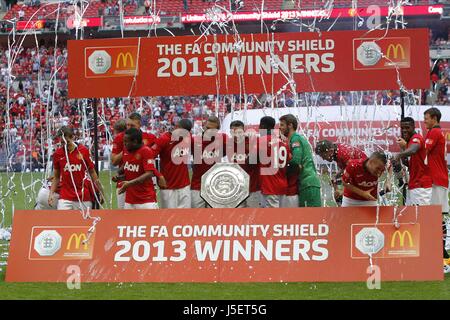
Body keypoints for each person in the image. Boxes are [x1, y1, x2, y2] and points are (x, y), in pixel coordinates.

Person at [49, 126, 104, 210]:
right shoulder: (57, 154)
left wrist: (100, 191)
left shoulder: (83, 151)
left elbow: (92, 172)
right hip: (65, 197)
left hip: (83, 197)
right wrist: (51, 194)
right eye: (62, 143)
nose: (65, 145)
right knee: (62, 222)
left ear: (72, 137)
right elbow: (56, 177)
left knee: (84, 222)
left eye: (66, 141)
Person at [423, 107, 449, 271]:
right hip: (439, 179)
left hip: (435, 180)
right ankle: (442, 253)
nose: (425, 121)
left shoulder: (434, 133)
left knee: (436, 216)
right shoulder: (437, 133)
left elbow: (422, 151)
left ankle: (443, 255)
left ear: (434, 118)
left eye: (426, 118)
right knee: (438, 216)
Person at [111, 113, 156, 208]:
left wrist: (159, 176)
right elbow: (114, 161)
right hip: (124, 183)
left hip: (144, 186)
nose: (129, 127)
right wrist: (127, 147)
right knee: (124, 218)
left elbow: (151, 161)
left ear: (139, 125)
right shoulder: (120, 137)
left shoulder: (150, 138)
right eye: (127, 125)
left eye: (132, 125)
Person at [116, 128, 166, 209]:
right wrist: (118, 175)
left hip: (146, 200)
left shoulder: (146, 151)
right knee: (128, 222)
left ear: (135, 141)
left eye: (126, 141)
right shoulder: (126, 149)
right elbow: (125, 165)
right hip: (129, 200)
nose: (124, 144)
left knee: (149, 222)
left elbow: (149, 173)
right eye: (123, 141)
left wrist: (129, 184)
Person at [279, 114, 321, 207]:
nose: (280, 127)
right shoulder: (294, 139)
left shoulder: (295, 139)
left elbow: (295, 162)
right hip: (306, 184)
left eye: (282, 125)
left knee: (311, 217)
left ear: (290, 125)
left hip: (308, 184)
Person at [150, 119, 192, 209]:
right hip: (168, 187)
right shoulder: (163, 139)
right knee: (168, 219)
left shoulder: (188, 137)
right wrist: (159, 176)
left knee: (186, 217)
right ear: (176, 127)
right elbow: (148, 159)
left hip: (185, 186)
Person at [315, 139, 367, 205]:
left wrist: (341, 192)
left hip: (363, 174)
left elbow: (354, 172)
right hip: (360, 171)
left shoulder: (343, 154)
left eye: (324, 156)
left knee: (343, 198)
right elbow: (346, 169)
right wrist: (336, 178)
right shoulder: (336, 150)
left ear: (330, 151)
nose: (323, 159)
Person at [394, 117, 432, 205]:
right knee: (410, 216)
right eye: (402, 128)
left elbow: (413, 150)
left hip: (421, 186)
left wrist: (399, 155)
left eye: (407, 127)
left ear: (414, 127)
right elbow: (408, 164)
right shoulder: (409, 142)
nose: (404, 130)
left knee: (420, 217)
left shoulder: (416, 138)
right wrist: (403, 148)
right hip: (414, 185)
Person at [190, 115, 227, 208]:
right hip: (197, 186)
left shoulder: (223, 140)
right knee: (197, 217)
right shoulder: (195, 141)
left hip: (215, 186)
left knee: (214, 218)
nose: (208, 130)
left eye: (212, 129)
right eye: (207, 127)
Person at [258, 116, 290, 208]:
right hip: (282, 185)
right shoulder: (283, 142)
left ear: (262, 126)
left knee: (271, 219)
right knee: (282, 218)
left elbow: (250, 159)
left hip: (270, 186)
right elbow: (289, 159)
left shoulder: (262, 140)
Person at [227, 120, 260, 208]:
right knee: (238, 217)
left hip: (253, 187)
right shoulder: (228, 144)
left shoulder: (252, 142)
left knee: (253, 217)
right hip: (237, 189)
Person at [111, 119, 127, 209]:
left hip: (123, 180)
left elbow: (113, 161)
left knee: (123, 215)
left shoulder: (119, 138)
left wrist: (125, 151)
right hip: (139, 181)